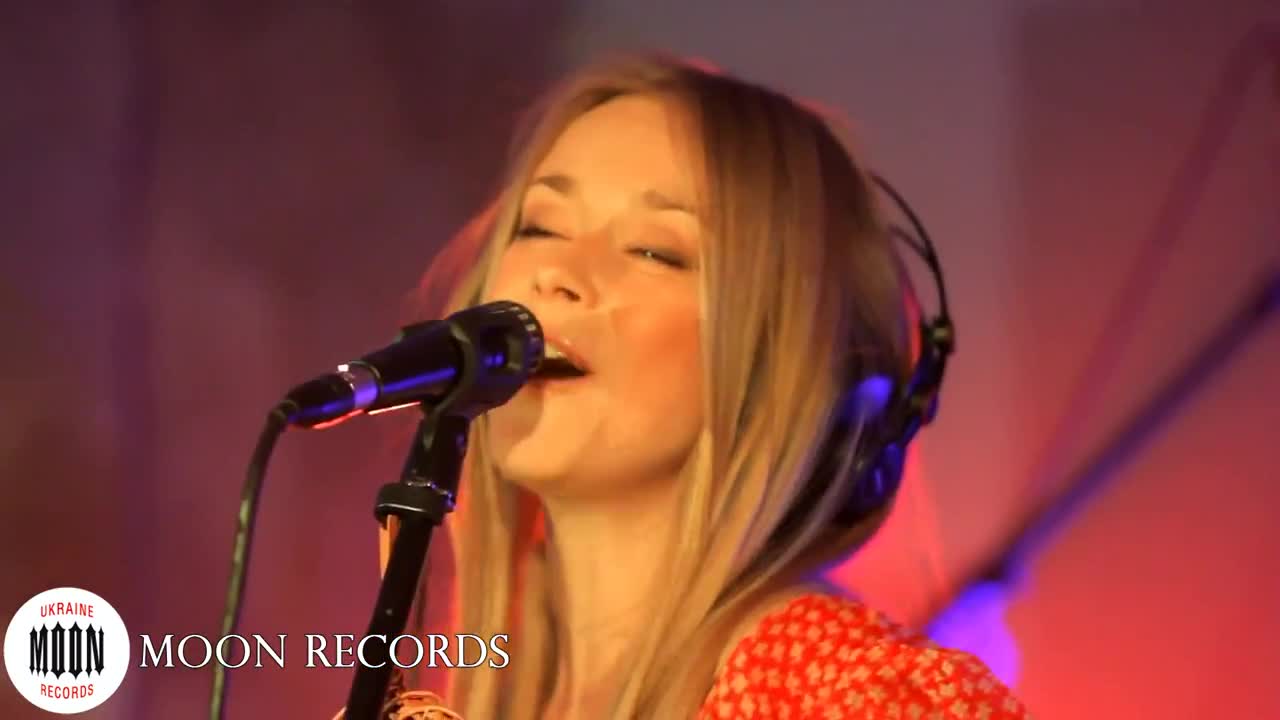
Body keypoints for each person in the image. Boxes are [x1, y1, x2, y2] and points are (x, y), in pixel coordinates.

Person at [383, 53, 1032, 720]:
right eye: (539, 226)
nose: (554, 274)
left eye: (654, 250)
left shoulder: (861, 701)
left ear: (784, 362)